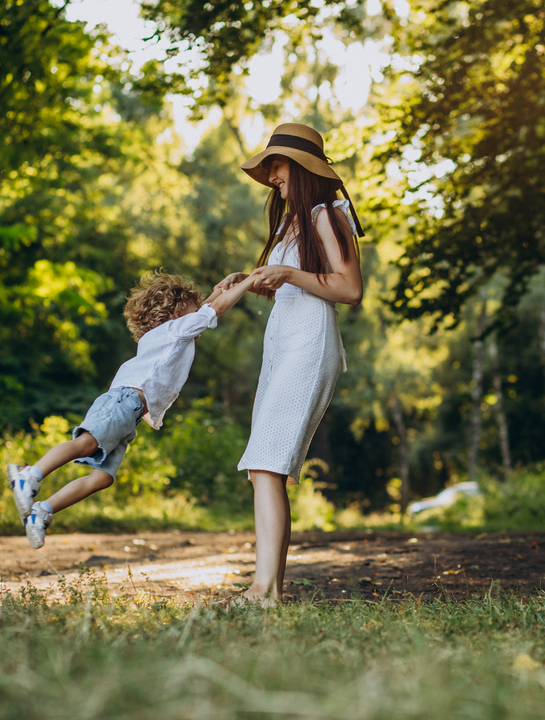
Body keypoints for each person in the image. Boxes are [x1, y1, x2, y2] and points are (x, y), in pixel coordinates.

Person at [217, 122, 365, 605]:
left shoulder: (326, 214)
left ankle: (262, 589)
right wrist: (254, 280)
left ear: (300, 168)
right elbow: (298, 281)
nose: (272, 177)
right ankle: (270, 591)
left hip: (309, 342)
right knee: (265, 466)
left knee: (266, 463)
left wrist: (290, 273)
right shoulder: (292, 223)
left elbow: (348, 289)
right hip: (283, 341)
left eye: (276, 166)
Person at [7, 270, 258, 549]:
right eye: (193, 308)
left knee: (102, 478)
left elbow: (210, 307)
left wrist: (221, 287)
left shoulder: (170, 332)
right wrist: (247, 284)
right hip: (124, 402)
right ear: (176, 311)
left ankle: (41, 512)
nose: (200, 312)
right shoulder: (174, 330)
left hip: (131, 413)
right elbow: (215, 310)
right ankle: (28, 474)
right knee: (86, 443)